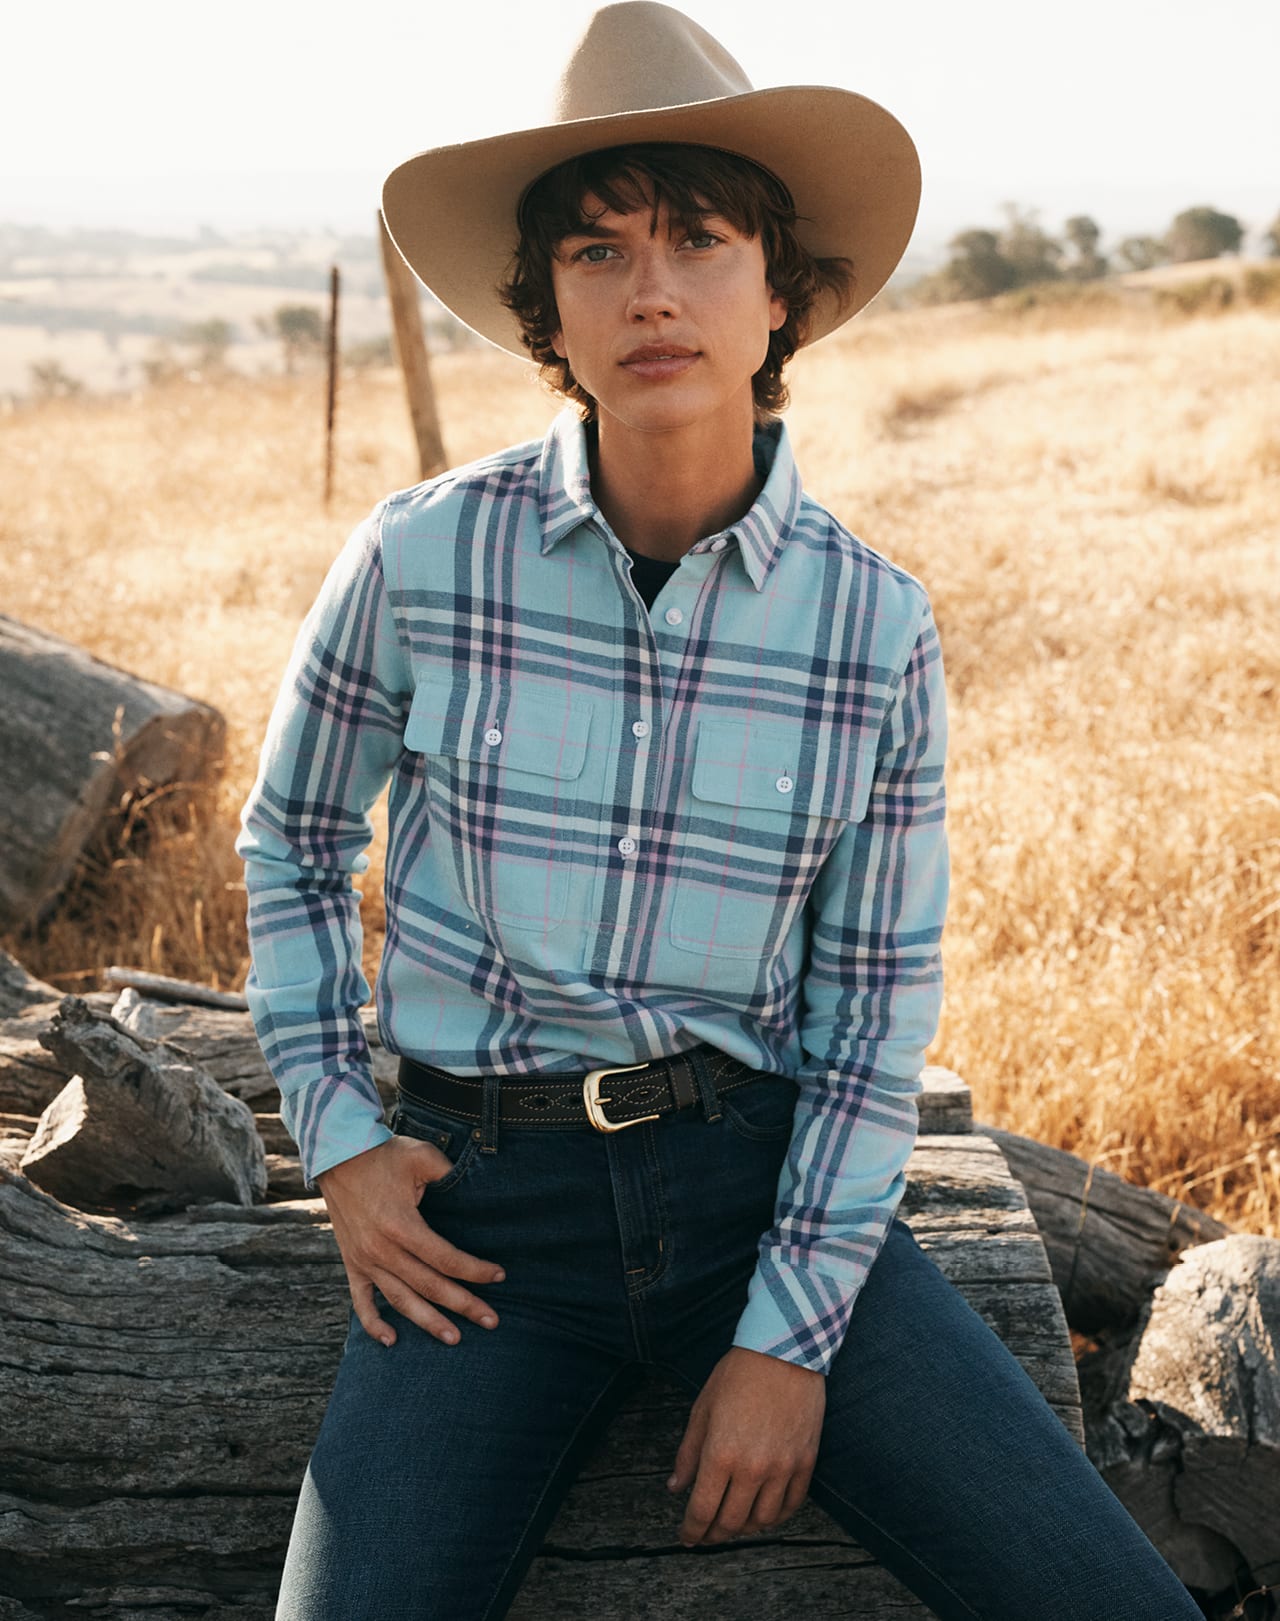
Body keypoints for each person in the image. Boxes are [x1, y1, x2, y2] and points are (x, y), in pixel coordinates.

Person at [237, 5, 1203, 1617]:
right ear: (549, 306)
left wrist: (788, 1338)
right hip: (482, 1217)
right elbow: (290, 842)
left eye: (700, 240)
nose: (653, 291)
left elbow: (874, 1007)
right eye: (599, 252)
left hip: (757, 1186)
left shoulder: (872, 625)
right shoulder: (419, 560)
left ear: (780, 293)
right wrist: (339, 1139)